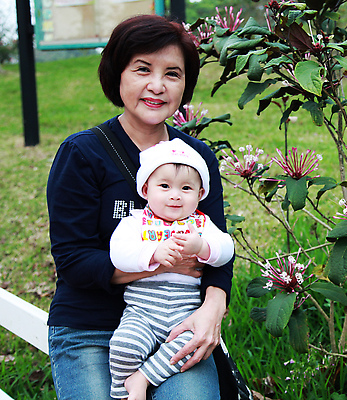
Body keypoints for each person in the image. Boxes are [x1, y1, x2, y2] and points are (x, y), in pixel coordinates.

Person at [46, 14, 232, 400]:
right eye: (142, 69)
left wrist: (213, 307)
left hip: (174, 326)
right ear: (118, 74)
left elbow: (217, 247)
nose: (157, 86)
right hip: (90, 326)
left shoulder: (196, 158)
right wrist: (161, 262)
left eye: (173, 74)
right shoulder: (82, 154)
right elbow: (74, 262)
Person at [108, 138, 234, 399]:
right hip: (142, 311)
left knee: (190, 349)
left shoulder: (200, 224)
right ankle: (122, 392)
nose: (175, 195)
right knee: (123, 346)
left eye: (186, 188)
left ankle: (141, 379)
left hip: (184, 312)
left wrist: (202, 246)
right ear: (146, 189)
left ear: (200, 195)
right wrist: (153, 253)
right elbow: (118, 253)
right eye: (164, 186)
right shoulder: (137, 222)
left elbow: (226, 250)